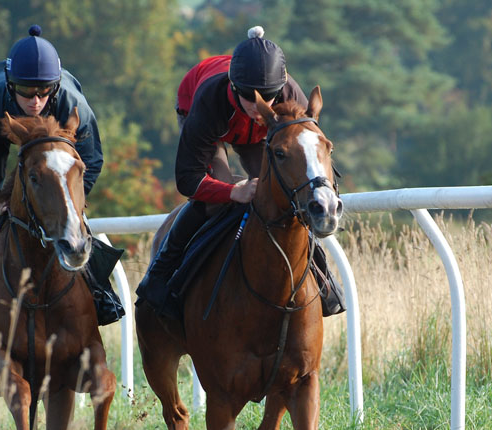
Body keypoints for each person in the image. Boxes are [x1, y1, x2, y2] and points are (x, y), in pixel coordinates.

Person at [135, 26, 344, 319]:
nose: (262, 106)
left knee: (283, 191)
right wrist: (233, 191)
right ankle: (159, 276)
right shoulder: (210, 99)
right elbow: (188, 179)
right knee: (215, 196)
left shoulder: (289, 94)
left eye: (270, 97)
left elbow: (309, 153)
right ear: (234, 87)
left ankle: (323, 275)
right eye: (252, 98)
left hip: (260, 135)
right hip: (207, 120)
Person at [0, 25, 124, 329]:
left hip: (55, 144)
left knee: (68, 212)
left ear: (54, 87)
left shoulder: (70, 102)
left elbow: (91, 159)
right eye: (27, 91)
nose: (36, 101)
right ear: (10, 84)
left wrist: (67, 201)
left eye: (44, 92)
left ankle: (100, 293)